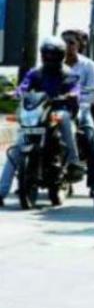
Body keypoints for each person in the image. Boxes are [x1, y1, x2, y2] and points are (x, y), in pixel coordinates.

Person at [0, 37, 84, 207]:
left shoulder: (68, 74)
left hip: (58, 111)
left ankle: (73, 162)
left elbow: (75, 89)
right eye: (46, 54)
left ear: (60, 56)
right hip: (38, 114)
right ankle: (1, 191)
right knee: (16, 149)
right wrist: (15, 93)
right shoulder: (35, 73)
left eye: (53, 55)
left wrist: (71, 95)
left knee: (65, 118)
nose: (49, 58)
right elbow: (24, 86)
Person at [62, 30, 94, 194]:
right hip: (58, 109)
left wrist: (81, 105)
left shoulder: (88, 65)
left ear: (78, 46)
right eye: (64, 42)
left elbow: (93, 92)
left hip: (80, 110)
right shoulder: (54, 62)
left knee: (92, 141)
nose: (67, 46)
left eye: (71, 42)